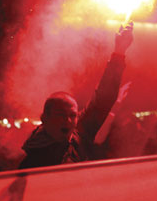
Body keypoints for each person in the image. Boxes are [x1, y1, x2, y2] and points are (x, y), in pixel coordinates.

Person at [18, 23, 134, 169]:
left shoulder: (78, 136)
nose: (67, 120)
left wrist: (119, 51)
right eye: (60, 115)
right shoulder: (30, 162)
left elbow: (103, 100)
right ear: (44, 118)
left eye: (72, 115)